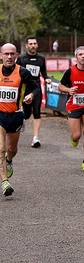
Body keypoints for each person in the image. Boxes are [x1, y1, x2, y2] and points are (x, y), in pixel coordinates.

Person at [0, 43, 40, 196]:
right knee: (1, 149)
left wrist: (31, 95)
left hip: (16, 115)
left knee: (11, 149)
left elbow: (35, 87)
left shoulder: (23, 72)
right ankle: (5, 182)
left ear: (16, 55)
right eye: (6, 54)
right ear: (1, 55)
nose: (9, 57)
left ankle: (9, 160)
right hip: (0, 115)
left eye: (12, 54)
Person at [16, 35, 52, 148]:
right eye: (30, 44)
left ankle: (35, 138)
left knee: (37, 111)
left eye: (34, 44)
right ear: (26, 45)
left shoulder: (41, 58)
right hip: (24, 89)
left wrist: (46, 78)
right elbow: (16, 72)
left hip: (36, 88)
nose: (33, 46)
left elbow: (43, 71)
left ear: (37, 45)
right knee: (26, 114)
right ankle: (22, 118)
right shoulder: (22, 58)